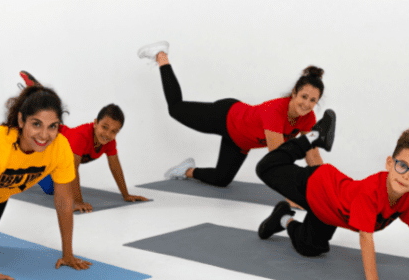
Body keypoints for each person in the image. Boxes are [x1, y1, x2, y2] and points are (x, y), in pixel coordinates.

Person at [256, 118, 409, 280]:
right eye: (402, 166)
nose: (406, 176)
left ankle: (282, 218)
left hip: (328, 214)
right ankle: (313, 137)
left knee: (309, 247)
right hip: (317, 186)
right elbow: (365, 237)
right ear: (389, 163)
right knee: (265, 167)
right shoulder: (371, 192)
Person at [137, 41, 325, 195]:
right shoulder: (275, 111)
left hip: (239, 141)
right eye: (304, 97)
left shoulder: (308, 118)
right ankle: (161, 55)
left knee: (222, 179)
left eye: (313, 100)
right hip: (226, 116)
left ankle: (186, 170)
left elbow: (313, 154)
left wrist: (323, 188)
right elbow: (277, 160)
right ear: (294, 93)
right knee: (175, 109)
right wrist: (294, 197)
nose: (306, 104)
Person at [0, 84, 92, 280]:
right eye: (36, 124)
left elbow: (64, 202)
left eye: (52, 126)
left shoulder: (60, 147)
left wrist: (68, 254)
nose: (44, 135)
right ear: (21, 120)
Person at [19, 71, 149, 214]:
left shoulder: (109, 142)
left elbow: (115, 167)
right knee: (41, 118)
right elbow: (73, 169)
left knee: (50, 189)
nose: (107, 134)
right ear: (95, 123)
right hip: (50, 140)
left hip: (55, 157)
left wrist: (126, 195)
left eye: (113, 131)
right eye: (104, 127)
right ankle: (37, 91)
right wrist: (78, 201)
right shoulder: (81, 136)